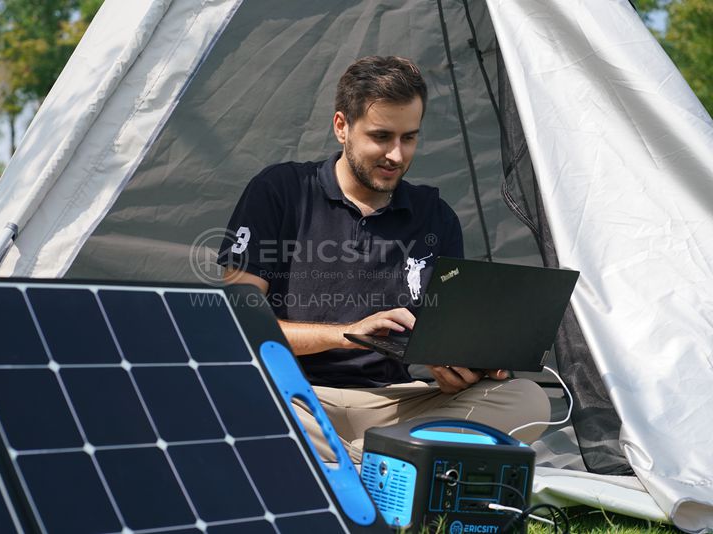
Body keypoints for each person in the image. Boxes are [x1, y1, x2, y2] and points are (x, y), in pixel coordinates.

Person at [217, 56, 549, 461]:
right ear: (342, 127)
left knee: (527, 401)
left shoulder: (435, 216)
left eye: (409, 138)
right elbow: (236, 325)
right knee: (223, 388)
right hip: (293, 395)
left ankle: (346, 463)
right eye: (381, 136)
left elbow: (441, 337)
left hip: (396, 404)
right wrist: (348, 334)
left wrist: (456, 371)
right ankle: (391, 463)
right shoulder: (280, 191)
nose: (396, 154)